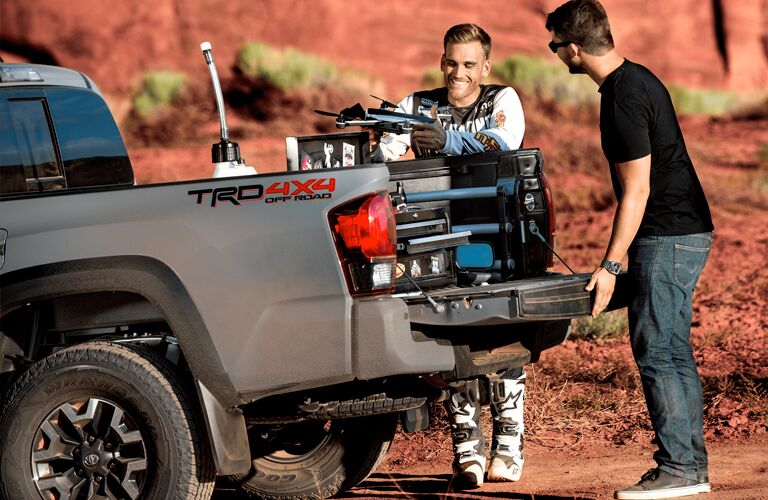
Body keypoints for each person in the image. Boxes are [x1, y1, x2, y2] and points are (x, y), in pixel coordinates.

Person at [545, 1, 714, 499]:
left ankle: (680, 469)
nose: (555, 54)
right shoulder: (636, 78)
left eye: (556, 46)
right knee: (671, 351)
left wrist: (611, 265)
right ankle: (690, 466)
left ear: (574, 49)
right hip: (683, 231)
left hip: (667, 235)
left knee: (658, 349)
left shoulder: (621, 97)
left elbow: (636, 191)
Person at [372, 23, 527, 490]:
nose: (457, 72)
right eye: (450, 62)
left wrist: (447, 143)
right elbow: (386, 150)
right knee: (449, 332)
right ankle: (465, 447)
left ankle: (508, 444)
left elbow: (504, 143)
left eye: (467, 64)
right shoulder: (415, 105)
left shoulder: (502, 100)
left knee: (500, 332)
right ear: (441, 61)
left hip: (492, 232)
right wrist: (410, 143)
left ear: (485, 66)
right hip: (431, 236)